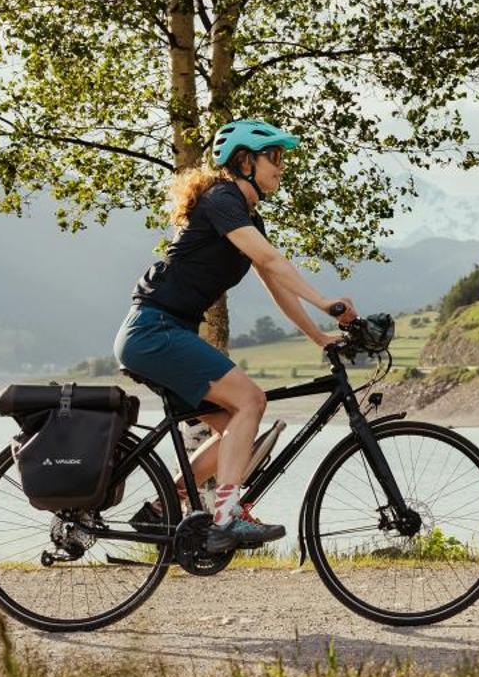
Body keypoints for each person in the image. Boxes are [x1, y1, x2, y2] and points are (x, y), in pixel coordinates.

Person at [113, 119, 357, 551]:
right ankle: (225, 516)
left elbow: (277, 284)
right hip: (155, 331)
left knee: (233, 432)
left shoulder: (248, 220)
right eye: (275, 157)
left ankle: (161, 508)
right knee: (252, 400)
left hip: (163, 333)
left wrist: (320, 337)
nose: (282, 167)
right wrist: (328, 303)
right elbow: (273, 260)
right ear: (245, 161)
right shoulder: (222, 198)